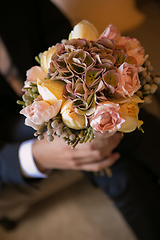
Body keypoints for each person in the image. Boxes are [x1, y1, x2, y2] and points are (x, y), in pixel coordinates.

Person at [0, 1, 160, 240]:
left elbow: (68, 43)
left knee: (122, 171)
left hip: (68, 99)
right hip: (10, 131)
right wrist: (34, 156)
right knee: (125, 163)